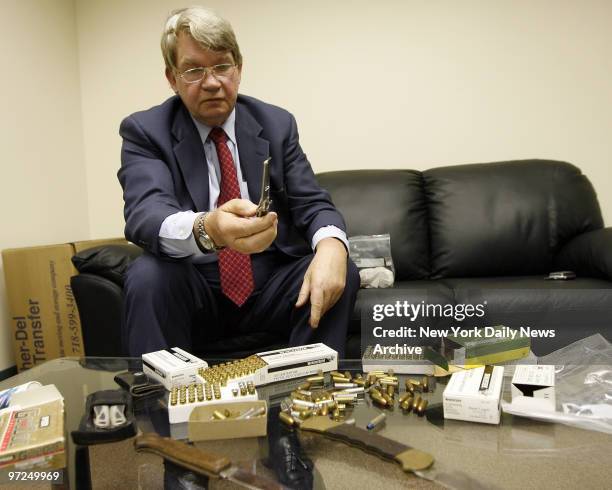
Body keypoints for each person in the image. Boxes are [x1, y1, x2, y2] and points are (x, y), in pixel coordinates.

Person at [118, 6, 359, 358]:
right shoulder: (146, 131)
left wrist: (333, 246)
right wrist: (208, 228)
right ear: (172, 78)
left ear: (239, 69)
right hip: (194, 283)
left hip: (272, 281)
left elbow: (313, 203)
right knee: (147, 276)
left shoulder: (276, 124)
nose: (212, 82)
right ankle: (157, 406)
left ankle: (309, 399)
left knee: (338, 266)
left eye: (222, 66)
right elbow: (146, 213)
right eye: (194, 70)